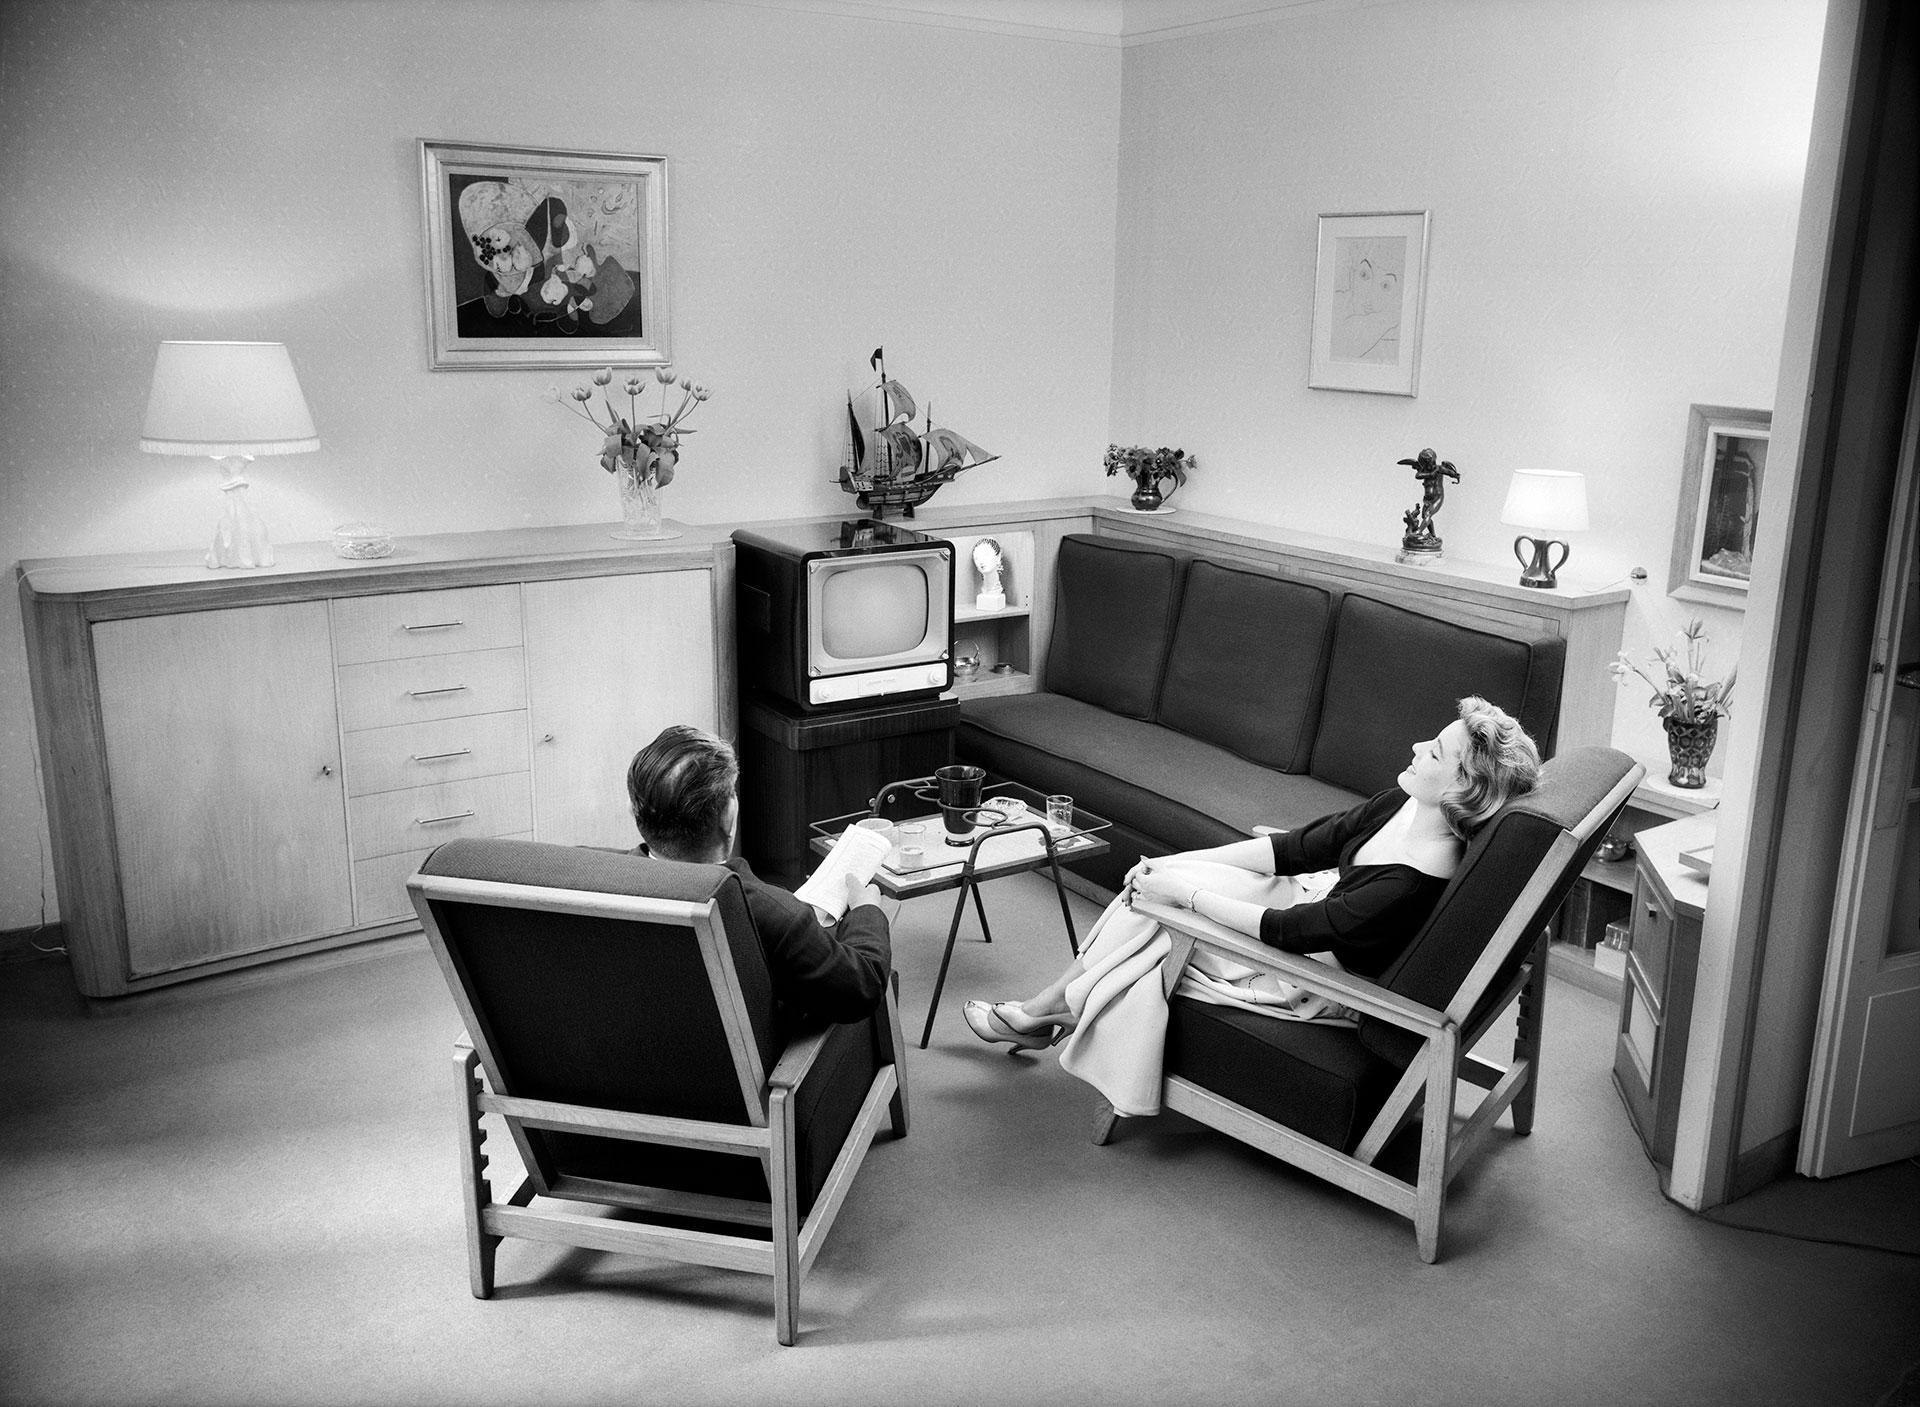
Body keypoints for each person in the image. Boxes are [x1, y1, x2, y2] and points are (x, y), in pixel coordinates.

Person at [962, 696, 1541, 1116]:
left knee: (1159, 920)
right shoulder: (1404, 804)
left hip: (1310, 976)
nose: (1416, 748)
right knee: (1156, 881)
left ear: (1462, 790)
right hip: (1308, 906)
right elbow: (1299, 847)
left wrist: (1186, 895)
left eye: (1434, 751)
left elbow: (1292, 933)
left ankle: (1045, 1010)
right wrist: (1186, 863)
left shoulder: (1410, 885)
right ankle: (1049, 1010)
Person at [626, 724, 892, 1026]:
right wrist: (865, 911)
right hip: (758, 1067)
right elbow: (862, 989)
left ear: (635, 812)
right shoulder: (769, 913)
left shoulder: (599, 883)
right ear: (728, 817)